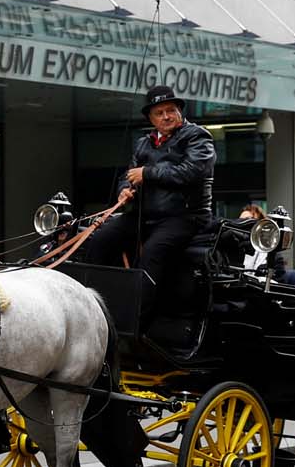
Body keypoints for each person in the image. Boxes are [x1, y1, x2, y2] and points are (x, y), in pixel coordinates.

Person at [83, 85, 216, 333]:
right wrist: (124, 189)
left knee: (152, 254)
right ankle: (94, 311)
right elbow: (129, 175)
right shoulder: (144, 143)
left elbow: (193, 172)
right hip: (143, 214)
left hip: (184, 216)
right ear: (150, 118)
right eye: (159, 113)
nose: (165, 116)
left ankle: (134, 325)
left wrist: (148, 173)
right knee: (98, 240)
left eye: (170, 110)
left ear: (180, 111)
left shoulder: (198, 137)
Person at [238, 203, 286, 278]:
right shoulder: (234, 252)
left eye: (248, 221)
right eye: (240, 221)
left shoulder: (274, 256)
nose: (243, 225)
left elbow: (279, 282)